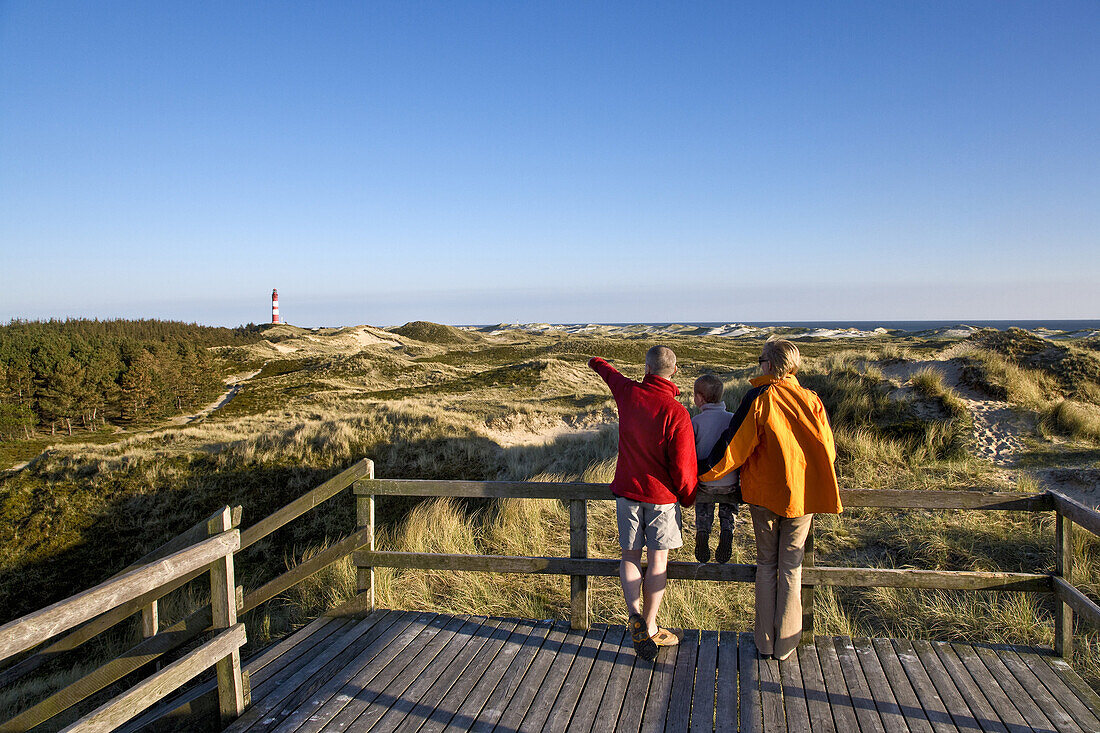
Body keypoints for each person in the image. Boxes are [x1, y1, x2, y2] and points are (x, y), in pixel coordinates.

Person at [698, 339, 841, 661]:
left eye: (761, 359)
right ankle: (785, 647)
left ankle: (763, 643)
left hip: (765, 496)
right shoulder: (812, 399)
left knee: (766, 567)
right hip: (803, 497)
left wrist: (700, 474)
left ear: (768, 365)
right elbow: (828, 451)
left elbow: (734, 448)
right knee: (792, 570)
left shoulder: (761, 397)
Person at [589, 345, 697, 661]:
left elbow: (609, 373)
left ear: (647, 369)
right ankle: (648, 626)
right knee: (658, 562)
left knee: (630, 556)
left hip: (627, 493)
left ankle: (633, 612)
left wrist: (596, 359)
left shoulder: (629, 393)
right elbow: (683, 465)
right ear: (673, 372)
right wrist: (688, 496)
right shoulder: (677, 413)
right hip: (662, 498)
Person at [690, 374, 740, 563]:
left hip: (706, 481)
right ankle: (727, 530)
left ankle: (703, 531)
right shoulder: (733, 419)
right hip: (730, 480)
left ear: (700, 398)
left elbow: (690, 452)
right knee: (729, 505)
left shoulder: (696, 422)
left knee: (704, 504)